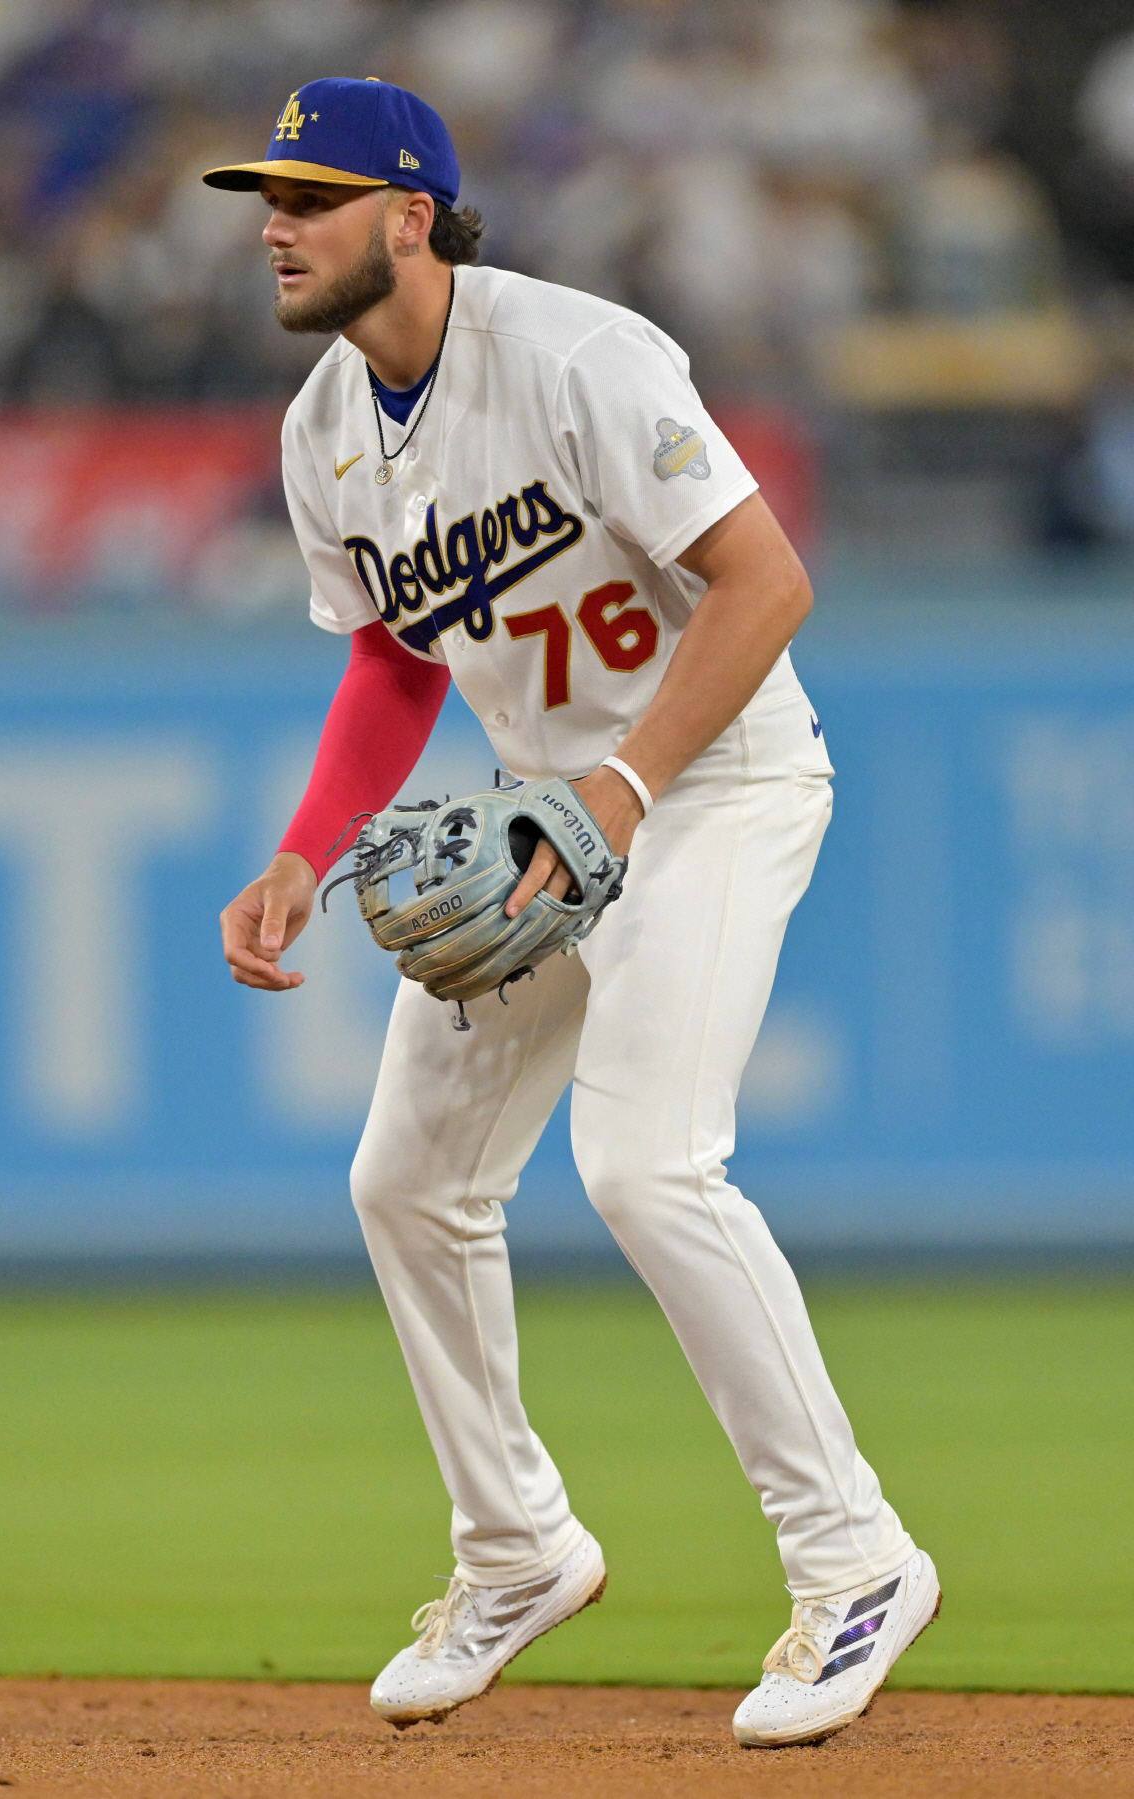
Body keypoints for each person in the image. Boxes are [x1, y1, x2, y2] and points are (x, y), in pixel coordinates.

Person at [212, 77, 939, 1748]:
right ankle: (519, 1548)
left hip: (716, 786)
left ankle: (856, 1561)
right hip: (551, 822)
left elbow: (769, 583)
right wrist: (308, 851)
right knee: (408, 1179)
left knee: (644, 1162)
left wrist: (617, 798)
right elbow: (397, 656)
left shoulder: (577, 358)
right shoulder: (325, 427)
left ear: (411, 214)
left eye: (311, 196)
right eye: (269, 193)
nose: (274, 222)